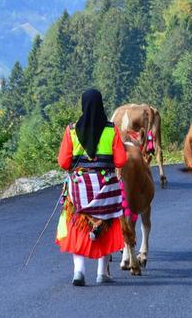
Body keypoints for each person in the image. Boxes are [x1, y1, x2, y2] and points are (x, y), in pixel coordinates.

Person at [56, 89, 128, 286]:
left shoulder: (71, 130)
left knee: (77, 224)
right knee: (107, 223)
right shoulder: (111, 130)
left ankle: (78, 271)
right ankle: (102, 272)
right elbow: (121, 160)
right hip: (105, 187)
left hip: (79, 187)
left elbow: (63, 162)